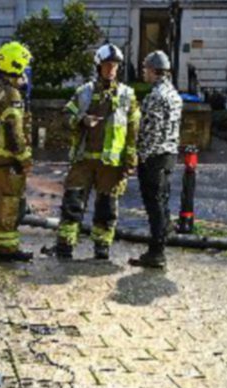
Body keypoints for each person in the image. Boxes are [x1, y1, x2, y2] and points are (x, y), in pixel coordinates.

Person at [51, 44, 140, 261]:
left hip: (111, 165)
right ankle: (65, 247)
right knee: (72, 204)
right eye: (107, 65)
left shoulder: (128, 96)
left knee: (106, 209)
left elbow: (132, 131)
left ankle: (101, 249)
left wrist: (130, 160)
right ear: (98, 66)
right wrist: (81, 120)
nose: (111, 69)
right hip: (83, 161)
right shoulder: (84, 93)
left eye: (115, 66)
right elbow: (63, 119)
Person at [130, 50, 183, 269]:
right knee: (162, 200)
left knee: (154, 205)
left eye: (145, 69)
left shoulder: (156, 96)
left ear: (153, 70)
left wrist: (140, 156)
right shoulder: (174, 94)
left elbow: (151, 132)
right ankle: (163, 235)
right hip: (170, 154)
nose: (144, 73)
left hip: (155, 157)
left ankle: (156, 252)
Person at [0, 41, 35, 263]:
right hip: (9, 161)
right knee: (10, 203)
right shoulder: (12, 95)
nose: (26, 71)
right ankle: (7, 249)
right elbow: (14, 131)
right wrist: (24, 158)